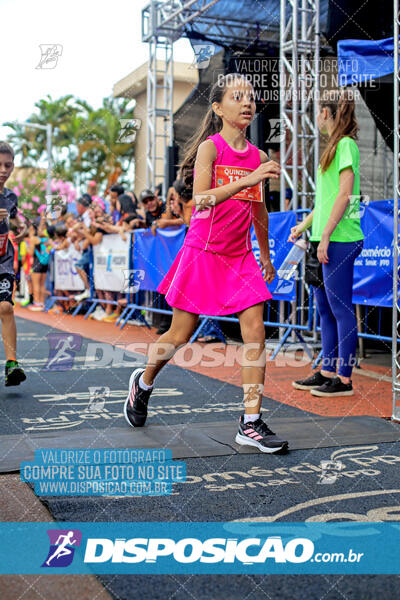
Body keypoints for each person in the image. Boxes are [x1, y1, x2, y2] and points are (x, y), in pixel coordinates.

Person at [123, 73, 288, 454]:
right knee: (179, 335)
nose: (246, 103)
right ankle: (143, 383)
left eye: (250, 97)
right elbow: (199, 199)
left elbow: (258, 209)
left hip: (240, 256)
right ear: (218, 108)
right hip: (203, 251)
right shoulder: (211, 150)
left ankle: (250, 423)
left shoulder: (259, 157)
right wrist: (250, 177)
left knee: (255, 331)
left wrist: (264, 255)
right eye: (237, 97)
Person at [289, 88, 364, 397]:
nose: (317, 116)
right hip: (324, 238)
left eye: (320, 110)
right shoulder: (333, 148)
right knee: (325, 308)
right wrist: (304, 226)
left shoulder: (346, 144)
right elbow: (325, 200)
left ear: (327, 113)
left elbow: (345, 196)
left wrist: (328, 236)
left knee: (340, 308)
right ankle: (327, 370)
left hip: (340, 239)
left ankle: (344, 379)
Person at [0, 142, 27, 386]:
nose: (2, 170)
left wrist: (23, 229)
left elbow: (18, 221)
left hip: (4, 262)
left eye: (7, 165)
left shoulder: (10, 198)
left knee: (6, 308)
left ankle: (12, 364)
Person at [27, 218, 50, 311]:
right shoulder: (45, 238)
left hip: (37, 262)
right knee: (42, 284)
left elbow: (31, 252)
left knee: (35, 284)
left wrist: (29, 241)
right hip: (45, 263)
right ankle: (42, 303)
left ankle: (36, 303)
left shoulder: (33, 239)